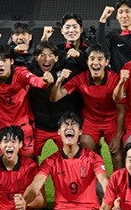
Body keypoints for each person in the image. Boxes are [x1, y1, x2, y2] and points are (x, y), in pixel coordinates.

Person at [4, 113, 109, 210]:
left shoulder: (92, 157)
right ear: (59, 132)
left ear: (80, 132)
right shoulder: (51, 161)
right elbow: (35, 186)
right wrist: (24, 200)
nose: (69, 127)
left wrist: (110, 203)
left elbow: (104, 181)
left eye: (73, 125)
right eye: (65, 125)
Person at [50, 43, 125, 171]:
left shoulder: (115, 79)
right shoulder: (81, 78)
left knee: (117, 155)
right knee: (86, 147)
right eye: (92, 59)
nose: (95, 63)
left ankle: (118, 187)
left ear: (107, 62)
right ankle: (96, 187)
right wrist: (59, 80)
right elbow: (54, 97)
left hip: (111, 121)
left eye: (100, 59)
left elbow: (121, 111)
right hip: (91, 122)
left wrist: (118, 137)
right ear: (87, 61)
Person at [27, 41, 84, 156]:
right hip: (39, 126)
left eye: (50, 55)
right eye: (42, 55)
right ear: (36, 58)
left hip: (62, 125)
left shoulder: (66, 72)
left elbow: (85, 66)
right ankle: (32, 174)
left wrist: (79, 55)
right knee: (29, 155)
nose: (46, 59)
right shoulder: (30, 73)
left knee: (70, 156)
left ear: (57, 58)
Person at [96, 0, 131, 72]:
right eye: (120, 12)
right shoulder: (112, 36)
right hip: (119, 80)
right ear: (117, 16)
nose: (124, 16)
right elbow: (100, 46)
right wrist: (103, 19)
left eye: (127, 11)